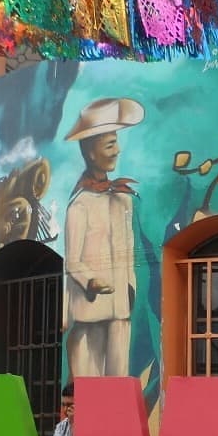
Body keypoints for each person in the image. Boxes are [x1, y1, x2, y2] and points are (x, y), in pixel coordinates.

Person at [64, 97, 143, 378]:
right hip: (90, 310)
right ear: (90, 152)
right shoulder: (80, 204)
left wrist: (130, 286)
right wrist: (91, 281)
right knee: (90, 381)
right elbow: (72, 261)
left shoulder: (123, 200)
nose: (116, 150)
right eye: (109, 145)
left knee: (119, 382)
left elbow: (128, 249)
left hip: (121, 308)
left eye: (116, 142)